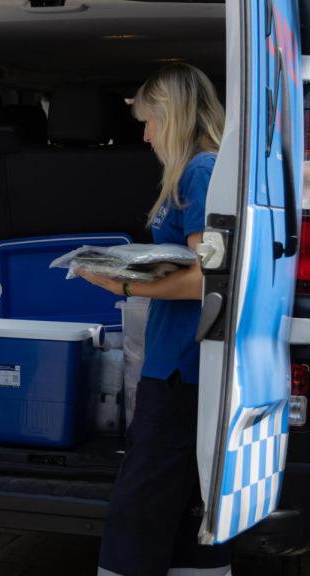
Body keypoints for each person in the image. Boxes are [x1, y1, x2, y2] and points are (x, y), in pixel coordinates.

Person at [77, 64, 231, 576]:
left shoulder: (199, 173)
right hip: (183, 364)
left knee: (138, 511)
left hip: (181, 367)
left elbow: (206, 279)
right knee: (189, 513)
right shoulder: (203, 170)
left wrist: (122, 283)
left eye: (149, 120)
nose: (143, 133)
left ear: (174, 115)